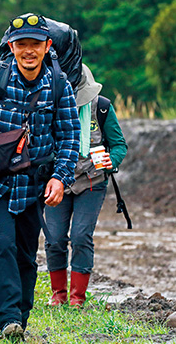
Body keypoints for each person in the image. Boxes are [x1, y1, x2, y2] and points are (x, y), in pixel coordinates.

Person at [0, 13, 80, 340]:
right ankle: (8, 319)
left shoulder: (59, 85)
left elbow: (69, 136)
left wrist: (60, 177)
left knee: (25, 253)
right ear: (12, 46)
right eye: (22, 45)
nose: (28, 51)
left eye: (35, 44)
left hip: (34, 185)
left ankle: (21, 316)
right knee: (2, 245)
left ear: (47, 46)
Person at [44, 64, 128, 307]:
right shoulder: (49, 106)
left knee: (81, 236)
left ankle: (77, 297)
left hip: (92, 182)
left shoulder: (101, 107)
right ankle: (58, 294)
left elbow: (119, 144)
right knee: (55, 238)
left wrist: (111, 160)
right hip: (57, 182)